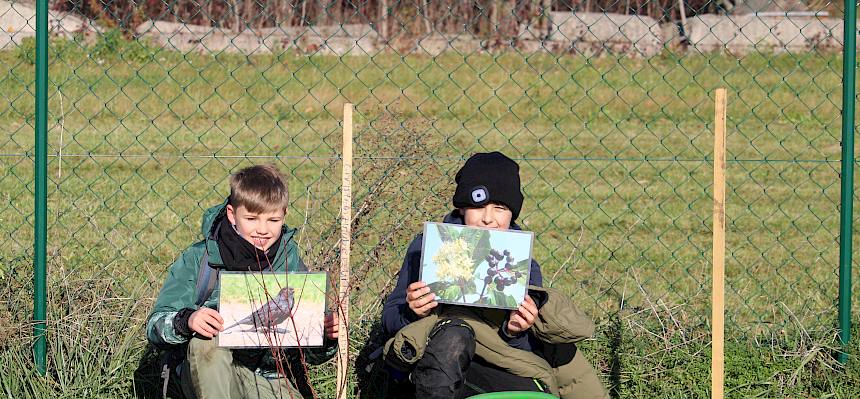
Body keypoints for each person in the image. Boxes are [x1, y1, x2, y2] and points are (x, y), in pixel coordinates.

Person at [381, 152, 607, 399]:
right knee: (454, 338)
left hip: (497, 363)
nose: (488, 218)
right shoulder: (427, 247)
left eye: (500, 208)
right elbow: (390, 320)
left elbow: (523, 351)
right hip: (435, 356)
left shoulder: (523, 263)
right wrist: (413, 311)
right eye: (478, 207)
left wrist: (515, 331)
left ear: (512, 214)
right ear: (462, 208)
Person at [146, 164, 338, 399]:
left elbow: (309, 357)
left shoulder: (291, 265)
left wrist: (326, 337)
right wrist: (187, 321)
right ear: (231, 214)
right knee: (206, 344)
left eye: (273, 220)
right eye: (251, 218)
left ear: (284, 215)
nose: (263, 229)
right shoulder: (201, 259)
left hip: (269, 378)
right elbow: (155, 326)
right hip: (206, 376)